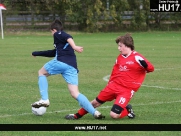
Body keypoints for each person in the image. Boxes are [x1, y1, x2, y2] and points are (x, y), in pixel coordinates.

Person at [65, 33, 154, 120]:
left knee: (114, 115)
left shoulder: (137, 57)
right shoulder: (119, 57)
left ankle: (127, 110)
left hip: (126, 90)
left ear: (127, 45)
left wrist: (145, 65)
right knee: (95, 102)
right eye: (118, 46)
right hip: (113, 86)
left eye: (120, 46)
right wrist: (110, 83)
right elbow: (115, 72)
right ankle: (77, 115)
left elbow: (151, 69)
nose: (118, 48)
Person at [31, 19, 105, 119]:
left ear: (54, 30)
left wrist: (74, 47)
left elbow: (68, 36)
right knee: (75, 93)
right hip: (72, 67)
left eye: (51, 32)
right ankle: (95, 112)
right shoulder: (61, 44)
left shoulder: (58, 34)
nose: (52, 34)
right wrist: (37, 53)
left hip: (61, 62)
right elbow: (53, 52)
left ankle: (44, 99)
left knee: (41, 72)